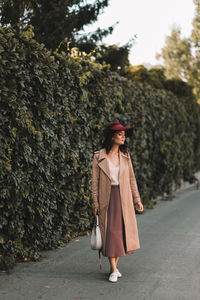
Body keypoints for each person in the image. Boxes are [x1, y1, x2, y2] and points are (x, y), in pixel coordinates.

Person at [91, 122, 143, 283]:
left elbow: (131, 179)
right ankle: (113, 269)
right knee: (111, 234)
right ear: (112, 136)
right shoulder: (99, 156)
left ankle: (114, 268)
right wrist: (95, 203)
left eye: (124, 134)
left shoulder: (126, 156)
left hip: (124, 198)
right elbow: (95, 182)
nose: (123, 137)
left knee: (121, 234)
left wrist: (137, 200)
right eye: (120, 134)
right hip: (107, 198)